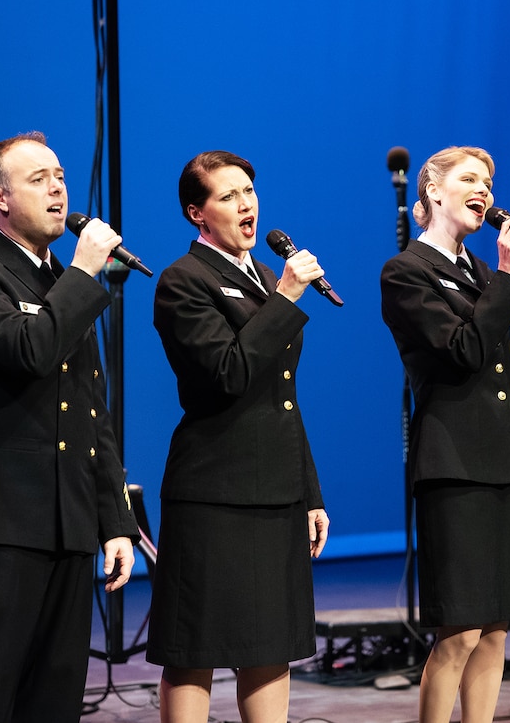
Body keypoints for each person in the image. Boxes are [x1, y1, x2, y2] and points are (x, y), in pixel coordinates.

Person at [0, 130, 140, 722]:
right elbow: (30, 350)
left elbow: (90, 413)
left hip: (68, 526)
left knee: (55, 698)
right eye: (39, 179)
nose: (58, 189)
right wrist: (84, 272)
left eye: (61, 177)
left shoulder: (63, 286)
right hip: (1, 526)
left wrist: (114, 523)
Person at [147, 150, 330, 723]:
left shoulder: (266, 279)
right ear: (195, 214)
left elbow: (282, 396)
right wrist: (287, 301)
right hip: (213, 492)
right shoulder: (184, 280)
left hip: (276, 488)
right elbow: (228, 374)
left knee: (270, 645)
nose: (246, 203)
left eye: (248, 190)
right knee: (194, 649)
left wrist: (310, 491)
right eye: (227, 196)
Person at [379, 146, 510, 723]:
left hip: (504, 465)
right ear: (432, 192)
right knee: (460, 629)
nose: (485, 190)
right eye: (471, 179)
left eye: (490, 181)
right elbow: (463, 353)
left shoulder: (478, 273)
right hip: (454, 465)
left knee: (498, 627)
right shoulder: (407, 271)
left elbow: (505, 387)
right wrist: (508, 275)